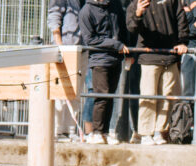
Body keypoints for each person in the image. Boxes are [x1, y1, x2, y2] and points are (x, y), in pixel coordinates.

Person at [127, 0, 189, 145]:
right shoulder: (136, 3)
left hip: (170, 54)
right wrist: (138, 14)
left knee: (168, 96)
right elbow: (131, 29)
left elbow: (181, 18)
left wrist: (182, 41)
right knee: (148, 96)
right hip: (148, 55)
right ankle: (145, 133)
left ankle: (159, 131)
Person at [80, 0, 130, 144]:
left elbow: (122, 27)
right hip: (99, 59)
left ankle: (105, 132)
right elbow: (90, 40)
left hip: (115, 58)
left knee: (109, 96)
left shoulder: (114, 6)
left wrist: (125, 49)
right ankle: (97, 131)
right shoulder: (87, 11)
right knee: (101, 95)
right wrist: (116, 44)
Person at [49, 0, 85, 139]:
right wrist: (60, 45)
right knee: (60, 90)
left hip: (82, 49)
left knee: (76, 91)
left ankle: (70, 130)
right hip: (66, 48)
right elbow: (54, 16)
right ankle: (56, 130)